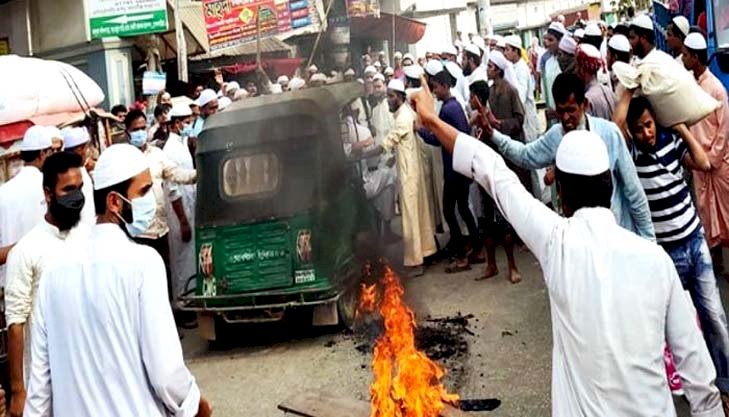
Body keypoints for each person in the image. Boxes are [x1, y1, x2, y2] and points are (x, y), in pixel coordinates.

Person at [409, 75, 724, 417]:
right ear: (608, 184)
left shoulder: (556, 242)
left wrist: (430, 120)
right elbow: (697, 375)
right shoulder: (655, 261)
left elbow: (494, 173)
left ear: (563, 195)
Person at [23, 144, 212, 417]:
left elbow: (40, 391)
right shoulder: (143, 263)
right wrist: (194, 405)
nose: (151, 201)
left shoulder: (54, 274)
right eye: (144, 191)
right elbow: (166, 373)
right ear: (114, 202)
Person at [625, 96, 729, 403]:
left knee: (715, 317)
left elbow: (704, 162)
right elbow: (619, 124)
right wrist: (628, 89)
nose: (647, 133)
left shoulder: (671, 142)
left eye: (649, 125)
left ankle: (724, 386)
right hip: (665, 256)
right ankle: (690, 388)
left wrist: (682, 129)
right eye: (639, 128)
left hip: (695, 243)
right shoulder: (630, 156)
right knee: (672, 329)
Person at [484, 72, 655, 240]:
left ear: (585, 105)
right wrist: (493, 134)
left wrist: (649, 240)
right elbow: (525, 155)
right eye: (561, 111)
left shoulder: (609, 133)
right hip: (582, 243)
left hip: (619, 234)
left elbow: (634, 191)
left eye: (571, 110)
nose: (566, 118)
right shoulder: (555, 137)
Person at [5, 152, 88, 417]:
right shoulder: (27, 250)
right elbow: (15, 323)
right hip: (45, 378)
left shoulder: (87, 237)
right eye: (68, 190)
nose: (76, 196)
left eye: (80, 188)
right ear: (49, 194)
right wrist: (19, 391)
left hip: (87, 367)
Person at [354, 80, 436, 277]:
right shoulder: (404, 113)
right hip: (409, 170)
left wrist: (360, 155)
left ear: (400, 97)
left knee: (410, 217)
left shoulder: (403, 118)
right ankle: (426, 252)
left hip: (409, 174)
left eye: (391, 96)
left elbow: (384, 144)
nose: (388, 100)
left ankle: (416, 262)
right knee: (417, 213)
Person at [124, 110, 197, 304]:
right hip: (137, 231)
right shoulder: (123, 159)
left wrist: (198, 174)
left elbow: (175, 174)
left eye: (142, 128)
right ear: (127, 133)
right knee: (142, 282)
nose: (140, 133)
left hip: (160, 229)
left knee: (163, 275)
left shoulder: (156, 155)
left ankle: (169, 321)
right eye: (135, 130)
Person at [418, 68, 479, 273]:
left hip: (454, 169)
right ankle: (477, 248)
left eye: (436, 87)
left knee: (449, 211)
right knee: (463, 208)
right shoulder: (455, 106)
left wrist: (422, 132)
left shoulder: (447, 110)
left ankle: (461, 256)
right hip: (461, 165)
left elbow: (441, 139)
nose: (434, 92)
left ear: (445, 86)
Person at [682, 32, 729, 274]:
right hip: (700, 162)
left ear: (696, 58)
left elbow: (723, 129)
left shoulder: (716, 89)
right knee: (706, 214)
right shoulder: (689, 84)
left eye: (686, 55)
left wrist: (712, 159)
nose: (683, 58)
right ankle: (718, 264)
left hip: (717, 164)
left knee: (726, 214)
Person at [481, 51, 528, 283]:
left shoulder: (510, 91)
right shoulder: (488, 92)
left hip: (510, 151)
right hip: (494, 152)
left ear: (498, 69)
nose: (488, 68)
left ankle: (514, 261)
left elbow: (520, 119)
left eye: (491, 65)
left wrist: (500, 125)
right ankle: (492, 264)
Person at [0, 126, 54, 284]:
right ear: (43, 154)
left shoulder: (4, 191)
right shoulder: (49, 187)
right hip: (45, 276)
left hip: (14, 282)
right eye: (50, 151)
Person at [162, 104, 197, 319]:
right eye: (186, 121)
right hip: (179, 213)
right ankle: (182, 303)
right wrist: (182, 220)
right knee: (181, 259)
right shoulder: (170, 150)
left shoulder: (182, 144)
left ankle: (190, 299)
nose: (189, 125)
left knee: (189, 256)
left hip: (189, 207)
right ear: (176, 123)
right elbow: (174, 189)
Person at [504, 35, 540, 141]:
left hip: (526, 120)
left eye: (507, 50)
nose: (505, 53)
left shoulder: (521, 69)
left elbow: (521, 97)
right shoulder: (511, 67)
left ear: (516, 51)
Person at [61, 127, 96, 227]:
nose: (87, 152)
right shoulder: (75, 175)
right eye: (86, 148)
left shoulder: (81, 170)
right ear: (80, 150)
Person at [575, 44, 616, 120]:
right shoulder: (608, 91)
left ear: (582, 69)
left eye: (577, 66)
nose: (575, 70)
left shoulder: (588, 99)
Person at [542, 22, 566, 127]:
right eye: (546, 39)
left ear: (561, 41)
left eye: (551, 40)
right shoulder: (548, 62)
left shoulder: (566, 62)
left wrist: (558, 112)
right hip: (552, 115)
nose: (547, 43)